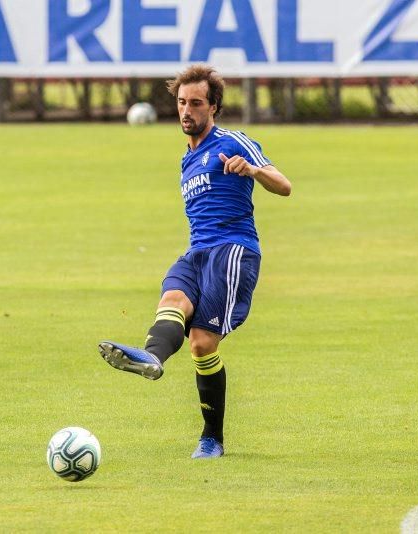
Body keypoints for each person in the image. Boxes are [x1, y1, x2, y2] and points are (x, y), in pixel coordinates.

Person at [98, 64, 291, 459]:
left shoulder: (234, 142)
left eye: (197, 103)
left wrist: (252, 170)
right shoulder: (186, 161)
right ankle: (151, 356)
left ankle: (212, 438)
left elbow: (284, 186)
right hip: (196, 252)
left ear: (214, 106)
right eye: (182, 103)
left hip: (233, 251)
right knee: (172, 301)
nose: (187, 111)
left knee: (202, 345)